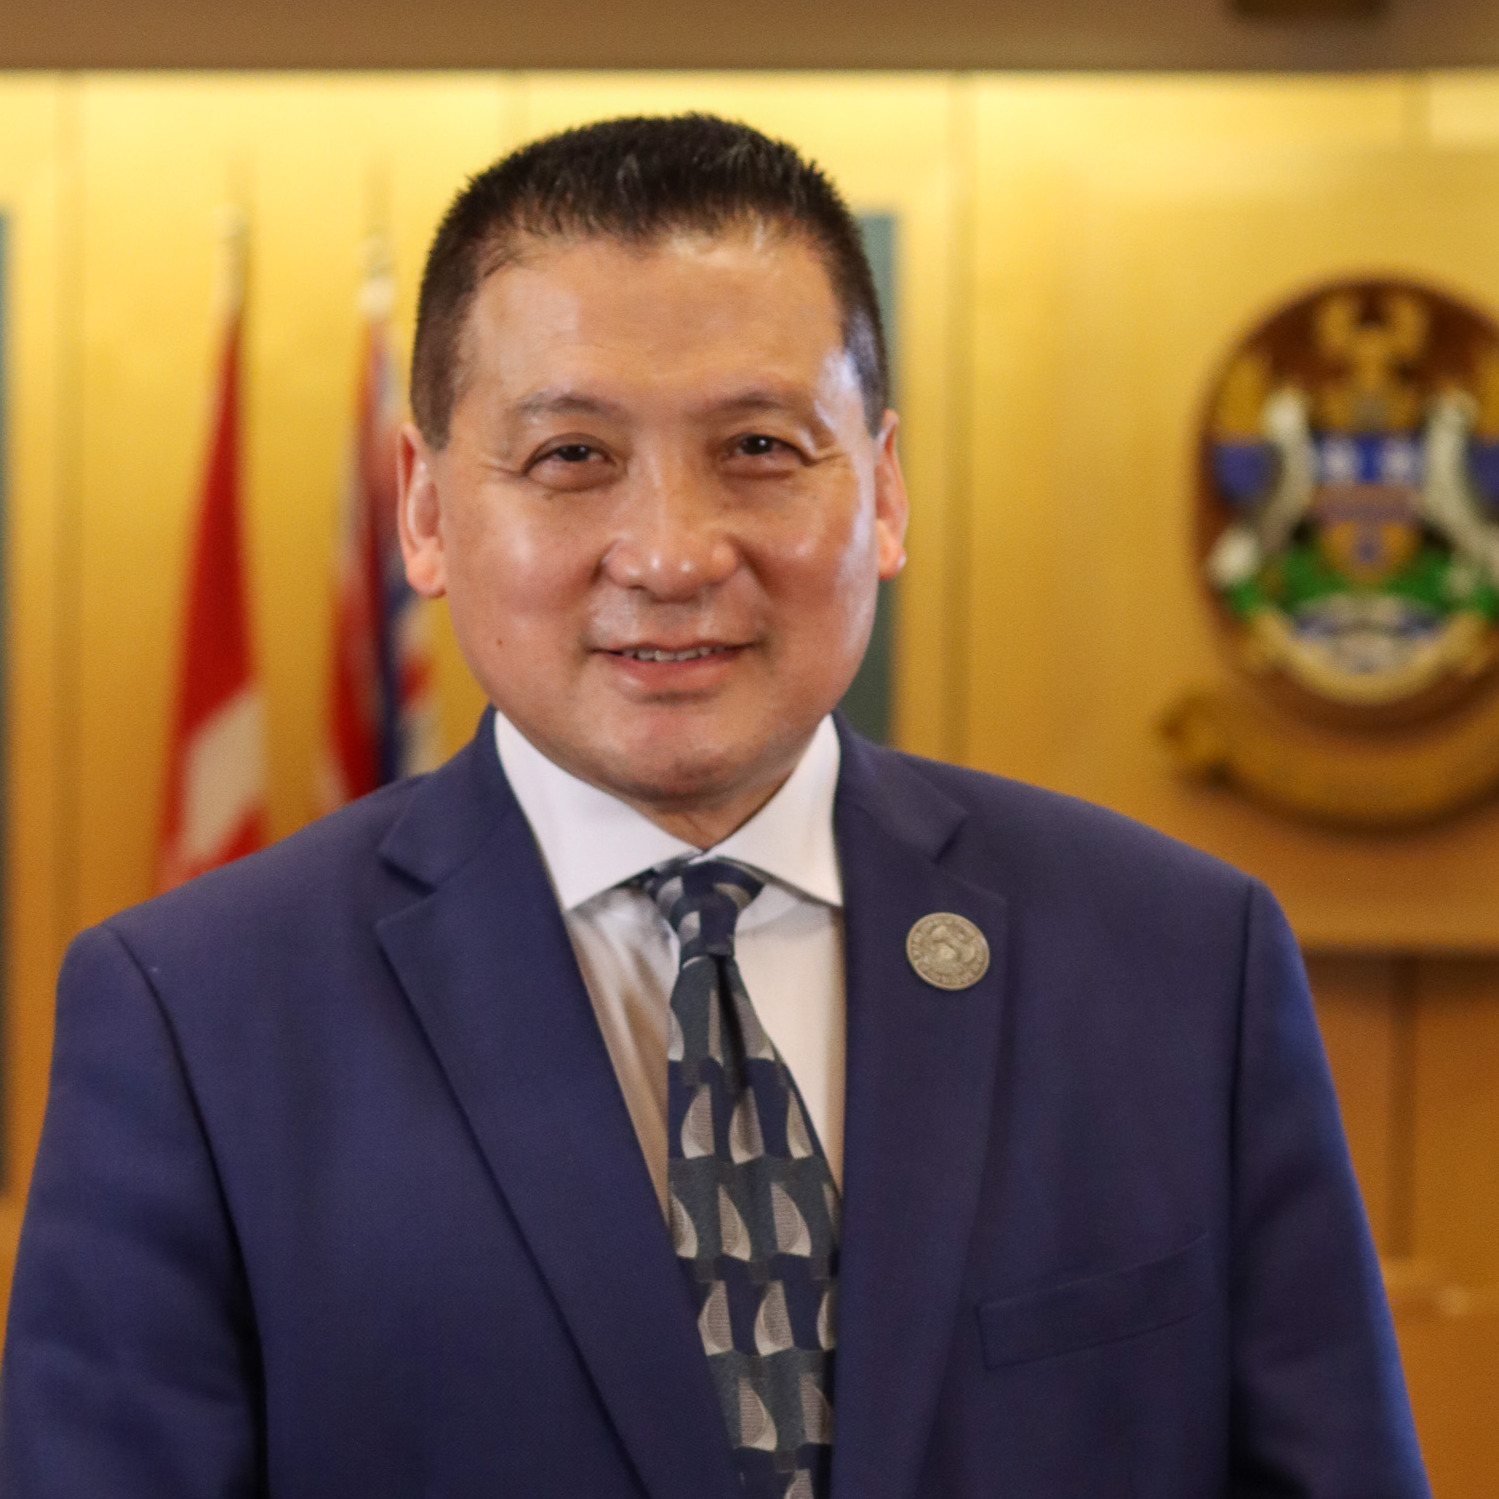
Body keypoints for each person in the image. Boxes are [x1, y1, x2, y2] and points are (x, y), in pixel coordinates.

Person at [0, 114, 1429, 1499]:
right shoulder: (195, 1014)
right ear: (425, 513)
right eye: (571, 457)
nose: (674, 554)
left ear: (882, 493)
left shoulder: (1182, 963)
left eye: (758, 447)